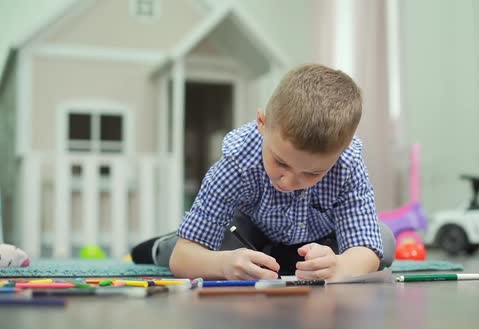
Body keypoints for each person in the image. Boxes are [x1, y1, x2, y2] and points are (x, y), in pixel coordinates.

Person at [131, 64, 395, 280]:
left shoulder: (348, 164)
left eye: (312, 174)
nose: (291, 181)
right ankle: (159, 246)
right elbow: (185, 256)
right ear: (262, 123)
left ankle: (294, 261)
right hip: (246, 235)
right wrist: (224, 265)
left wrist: (340, 267)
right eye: (280, 162)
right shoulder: (237, 163)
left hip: (317, 243)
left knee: (383, 241)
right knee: (203, 250)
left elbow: (366, 248)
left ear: (342, 150)